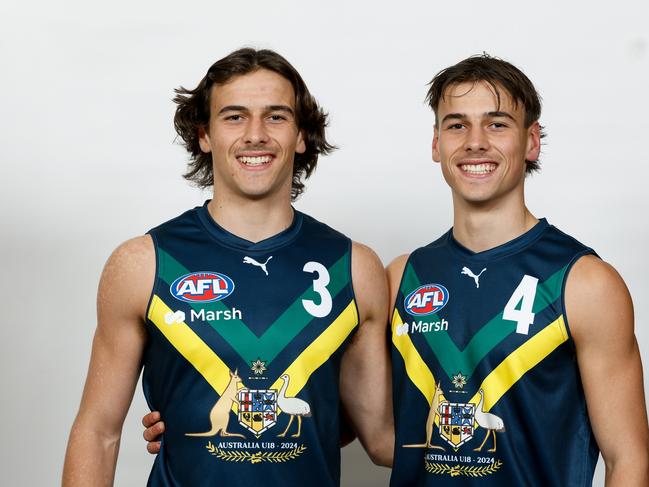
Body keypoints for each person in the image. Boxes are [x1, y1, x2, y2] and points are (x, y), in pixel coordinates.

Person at [62, 48, 392, 487]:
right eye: (234, 117)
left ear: (301, 135)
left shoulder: (355, 268)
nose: (255, 134)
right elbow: (98, 432)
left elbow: (369, 431)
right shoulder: (144, 263)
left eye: (276, 117)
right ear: (204, 135)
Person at [387, 54, 649, 485]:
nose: (475, 142)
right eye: (456, 125)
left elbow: (628, 460)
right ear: (436, 144)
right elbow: (384, 440)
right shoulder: (402, 277)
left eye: (497, 124)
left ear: (531, 141)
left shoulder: (584, 282)